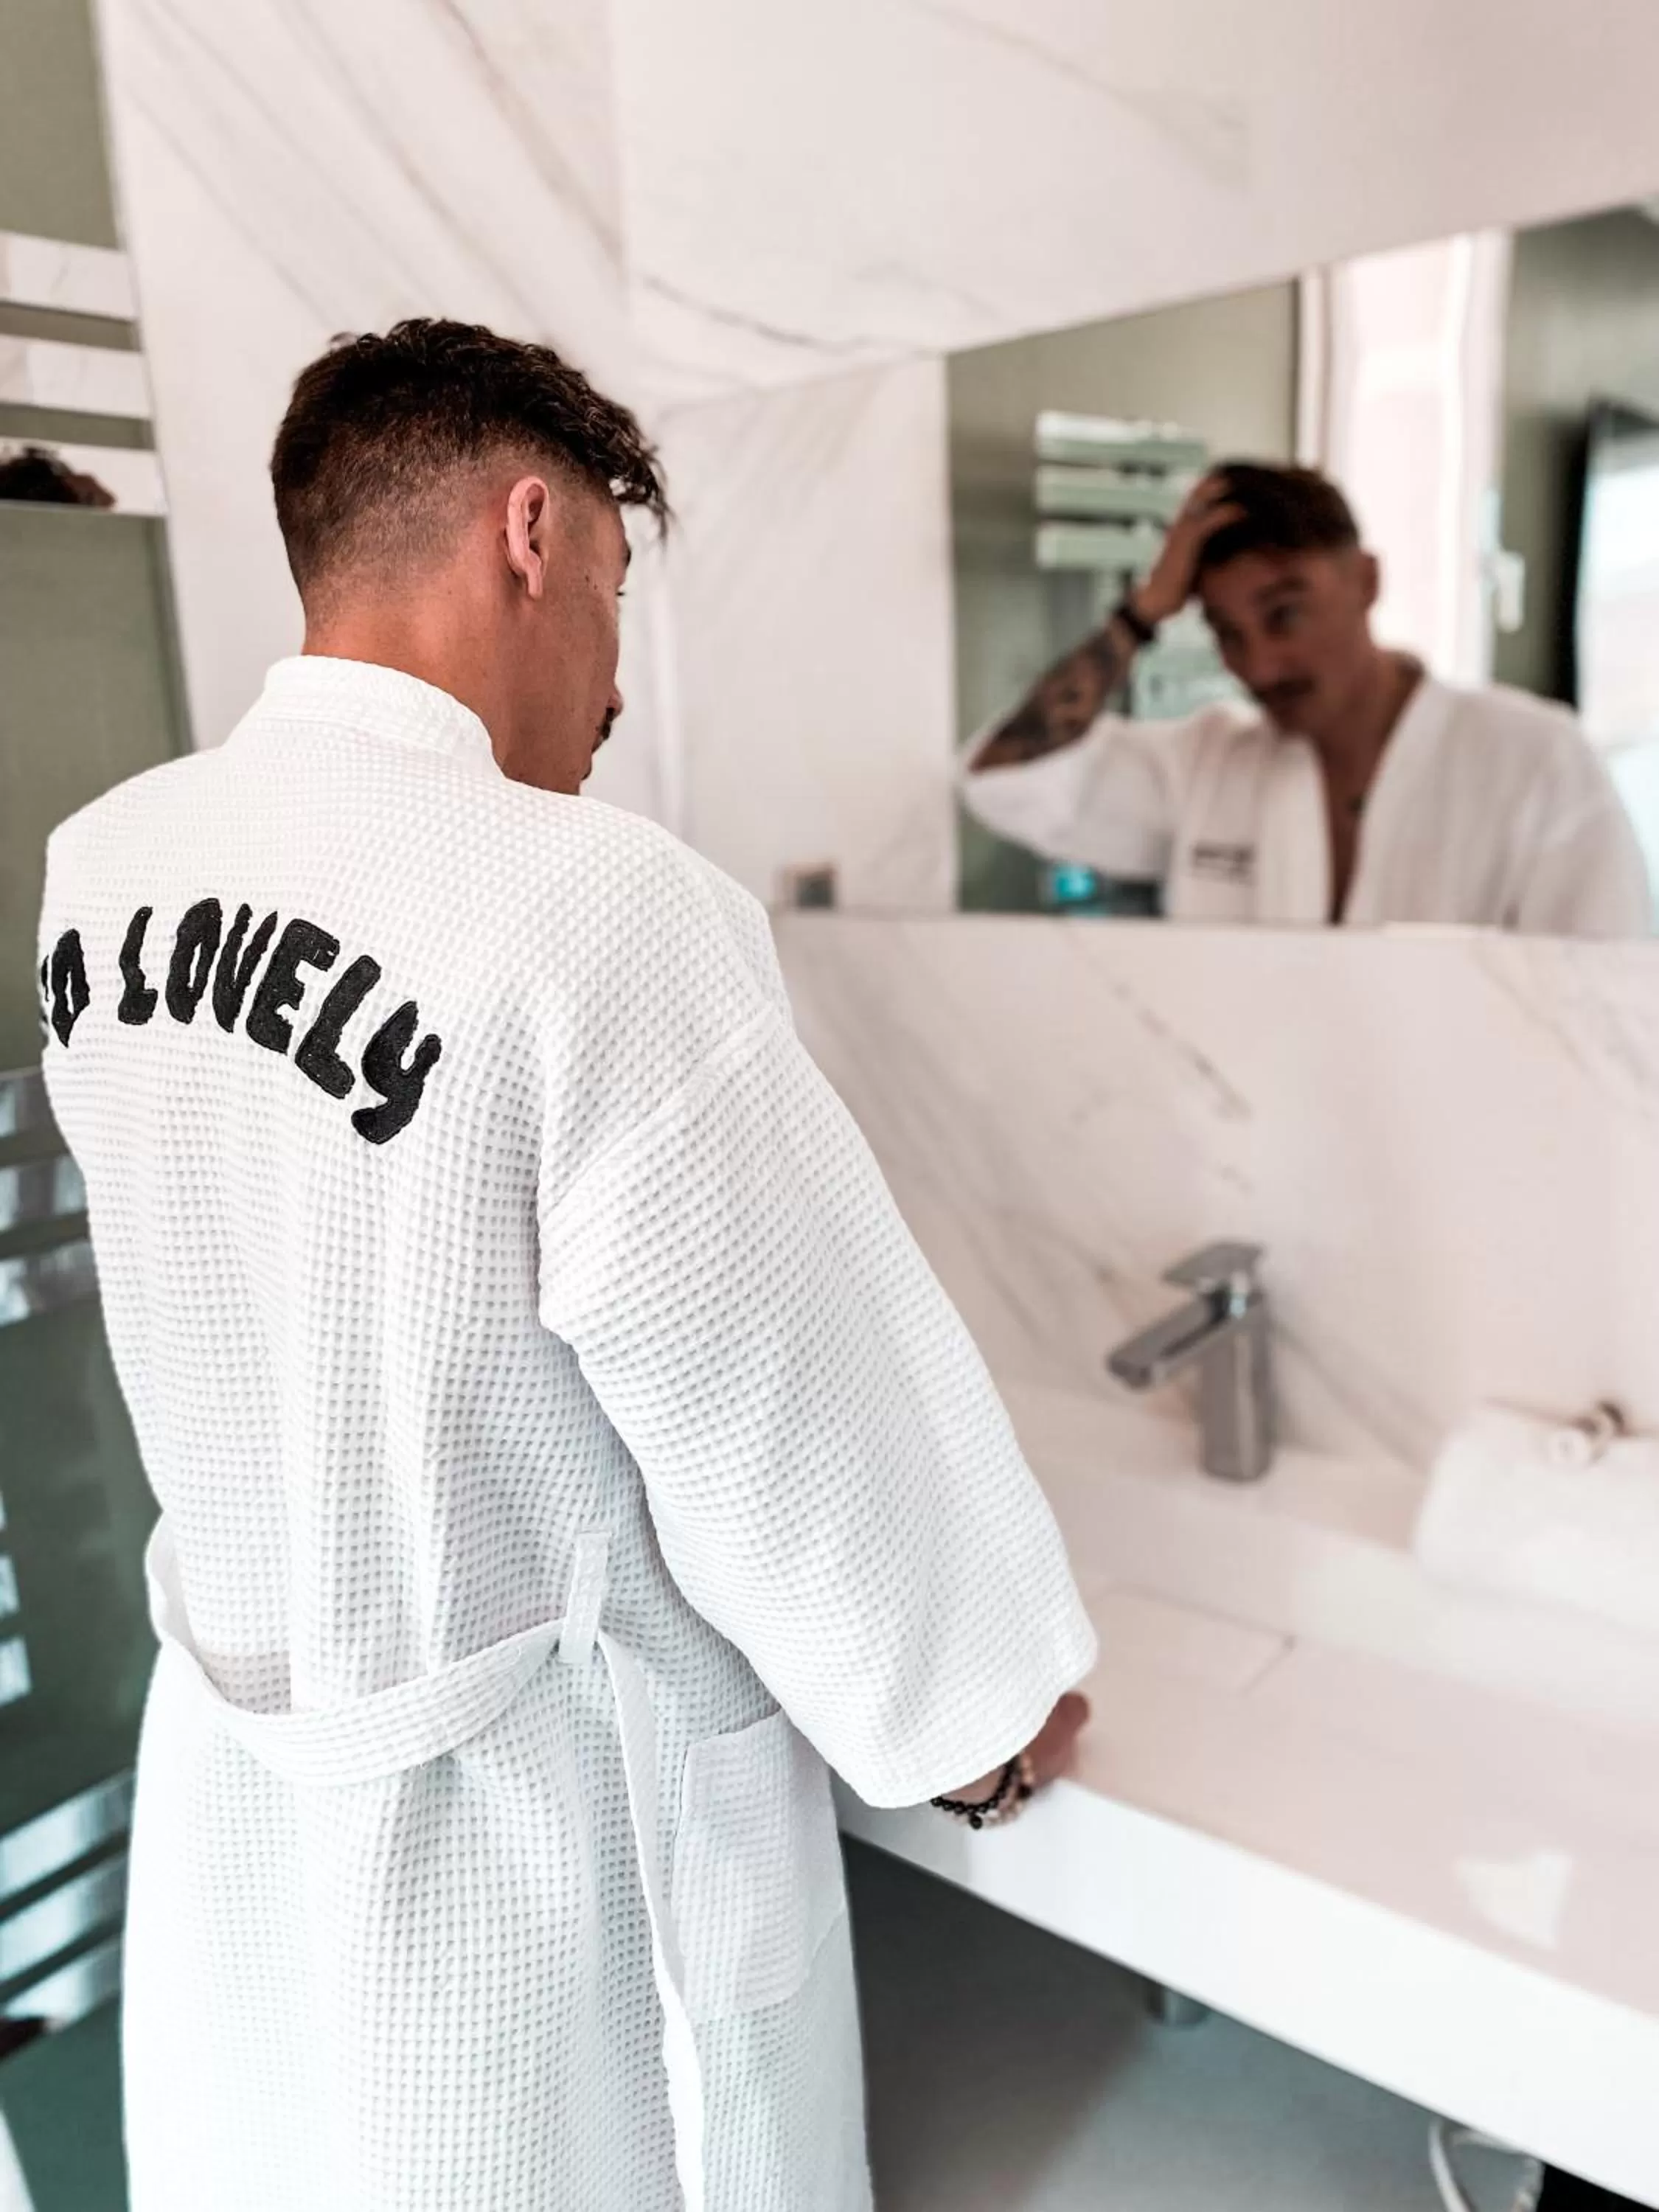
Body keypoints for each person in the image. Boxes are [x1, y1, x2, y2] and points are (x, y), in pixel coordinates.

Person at [36, 320, 1094, 2212]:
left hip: (253, 1781)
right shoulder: (594, 904)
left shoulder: (106, 865)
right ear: (532, 532)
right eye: (611, 587)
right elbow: (786, 1394)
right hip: (545, 1852)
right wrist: (974, 1713)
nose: (610, 687)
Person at [961, 462, 1652, 934]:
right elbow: (1003, 779)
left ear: (1367, 580)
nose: (1258, 665)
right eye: (1227, 633)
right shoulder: (1206, 762)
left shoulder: (1533, 760)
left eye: (1284, 614)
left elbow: (1603, 1007)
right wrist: (1138, 617)